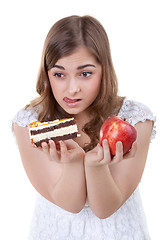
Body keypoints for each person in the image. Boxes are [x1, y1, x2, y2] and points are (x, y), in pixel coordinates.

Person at [12, 15, 156, 240]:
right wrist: (72, 164)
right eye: (59, 74)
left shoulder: (134, 119)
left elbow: (105, 209)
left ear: (104, 71)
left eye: (85, 73)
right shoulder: (30, 123)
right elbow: (71, 205)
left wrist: (95, 166)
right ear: (47, 74)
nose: (72, 89)